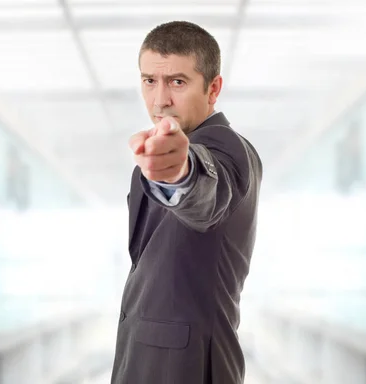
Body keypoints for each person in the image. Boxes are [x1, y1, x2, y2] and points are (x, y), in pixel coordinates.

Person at [110, 20, 263, 384]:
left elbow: (205, 192)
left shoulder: (226, 148)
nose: (159, 99)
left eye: (177, 82)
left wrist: (179, 173)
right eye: (149, 81)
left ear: (213, 89)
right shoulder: (151, 157)